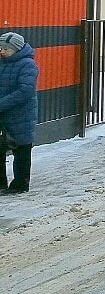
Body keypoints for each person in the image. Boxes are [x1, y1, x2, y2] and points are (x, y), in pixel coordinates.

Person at [0, 31, 38, 194]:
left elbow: (25, 91)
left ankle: (20, 184)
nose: (2, 51)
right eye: (0, 48)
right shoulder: (2, 62)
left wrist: (1, 103)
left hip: (21, 115)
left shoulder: (27, 65)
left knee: (21, 150)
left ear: (16, 49)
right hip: (3, 114)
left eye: (5, 49)